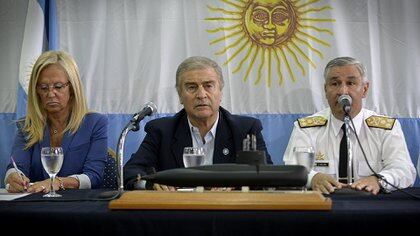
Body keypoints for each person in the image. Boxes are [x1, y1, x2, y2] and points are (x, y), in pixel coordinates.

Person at [124, 56, 272, 190]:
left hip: (228, 212)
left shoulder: (245, 130)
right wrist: (151, 184)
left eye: (208, 86)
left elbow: (267, 176)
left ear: (220, 93)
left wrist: (236, 184)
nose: (201, 95)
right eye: (191, 87)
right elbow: (130, 171)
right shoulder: (162, 131)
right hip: (178, 213)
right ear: (180, 96)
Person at [283, 56, 416, 195]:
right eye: (335, 84)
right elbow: (292, 168)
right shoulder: (306, 128)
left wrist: (379, 180)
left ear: (364, 89)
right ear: (325, 90)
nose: (343, 91)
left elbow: (404, 170)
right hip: (321, 206)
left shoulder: (385, 128)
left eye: (351, 83)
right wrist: (313, 178)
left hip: (372, 207)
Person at [4, 51, 108, 193]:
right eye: (44, 88)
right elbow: (17, 167)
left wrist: (57, 182)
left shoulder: (95, 123)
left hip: (78, 207)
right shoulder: (26, 126)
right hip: (35, 206)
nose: (51, 93)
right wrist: (13, 177)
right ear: (37, 92)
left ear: (72, 88)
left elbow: (94, 177)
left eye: (58, 86)